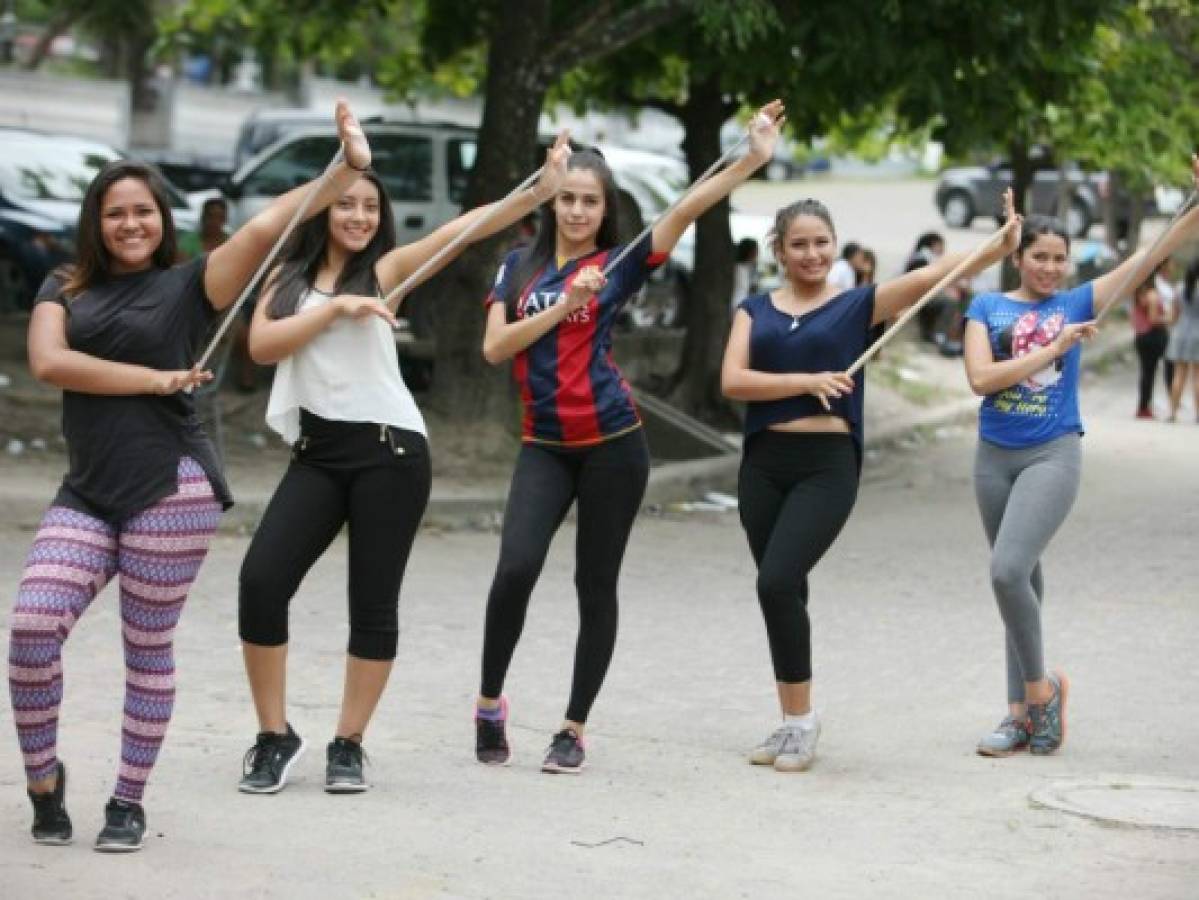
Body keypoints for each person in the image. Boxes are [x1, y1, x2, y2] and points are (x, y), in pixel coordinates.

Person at [8, 99, 373, 852]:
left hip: (171, 490)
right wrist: (152, 379)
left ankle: (127, 802)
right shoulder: (65, 287)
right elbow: (50, 363)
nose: (132, 224)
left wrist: (344, 169)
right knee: (31, 629)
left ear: (160, 219)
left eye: (144, 211)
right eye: (116, 213)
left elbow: (268, 225)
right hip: (87, 492)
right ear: (95, 222)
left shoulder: (191, 287)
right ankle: (44, 783)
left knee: (147, 649)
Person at [235, 133, 573, 794]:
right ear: (324, 209)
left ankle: (348, 743)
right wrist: (335, 307)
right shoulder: (288, 277)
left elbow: (464, 229)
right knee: (261, 583)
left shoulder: (384, 270)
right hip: (319, 453)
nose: (358, 217)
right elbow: (261, 345)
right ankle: (273, 735)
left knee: (372, 602)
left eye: (369, 207)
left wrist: (539, 188)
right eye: (345, 205)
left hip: (390, 451)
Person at [473, 101, 785, 774]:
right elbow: (496, 347)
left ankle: (571, 728)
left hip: (614, 445)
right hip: (544, 446)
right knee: (515, 569)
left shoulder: (618, 264)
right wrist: (564, 303)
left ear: (604, 207)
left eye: (591, 201)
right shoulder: (516, 267)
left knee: (596, 584)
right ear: (553, 201)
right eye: (569, 199)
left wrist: (751, 157)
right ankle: (489, 702)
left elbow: (685, 206)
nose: (578, 211)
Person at [719, 192, 1018, 773]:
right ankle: (791, 722)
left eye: (821, 242)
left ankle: (802, 726)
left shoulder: (858, 304)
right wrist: (807, 381)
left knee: (776, 581)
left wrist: (998, 247)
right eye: (799, 244)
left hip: (827, 467)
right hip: (763, 464)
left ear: (836, 246)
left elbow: (938, 273)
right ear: (779, 250)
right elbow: (733, 380)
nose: (811, 253)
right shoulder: (754, 310)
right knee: (785, 589)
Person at [964, 160, 1199, 758]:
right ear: (1020, 257)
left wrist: (1195, 199)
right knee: (1023, 583)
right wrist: (1054, 346)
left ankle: (1041, 694)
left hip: (1052, 454)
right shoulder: (985, 311)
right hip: (993, 459)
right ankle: (1019, 715)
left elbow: (1150, 255)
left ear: (1068, 262)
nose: (1048, 267)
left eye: (1058, 258)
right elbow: (981, 380)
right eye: (1038, 256)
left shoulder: (1077, 301)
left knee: (1007, 571)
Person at [1131, 277, 1170, 419]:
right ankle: (1169, 404)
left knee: (1147, 373)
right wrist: (1168, 319)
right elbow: (1153, 319)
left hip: (1141, 336)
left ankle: (1143, 406)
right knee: (1165, 368)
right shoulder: (1152, 294)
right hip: (1153, 336)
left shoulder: (1138, 293)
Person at [1166, 257, 1199, 422]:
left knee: (1178, 374)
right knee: (1197, 376)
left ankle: (1173, 412)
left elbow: (1174, 316)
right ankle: (1198, 414)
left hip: (1180, 333)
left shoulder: (1179, 288)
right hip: (1197, 334)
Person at [731, 237, 760, 312]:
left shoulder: (749, 267)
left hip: (743, 305)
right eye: (756, 251)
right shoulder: (739, 268)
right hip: (739, 306)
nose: (757, 254)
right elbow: (751, 288)